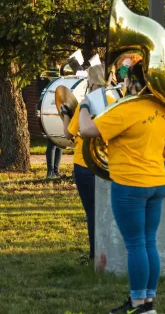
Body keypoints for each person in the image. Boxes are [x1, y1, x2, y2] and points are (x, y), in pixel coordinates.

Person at [78, 62, 165, 313]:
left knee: (135, 244)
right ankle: (148, 302)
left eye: (126, 80)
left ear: (132, 83)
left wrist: (84, 105)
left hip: (130, 184)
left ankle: (137, 303)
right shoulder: (164, 109)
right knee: (148, 242)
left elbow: (86, 129)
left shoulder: (126, 108)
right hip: (157, 181)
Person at [62, 64, 115, 263]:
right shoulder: (113, 102)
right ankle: (111, 251)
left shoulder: (85, 104)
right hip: (106, 163)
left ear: (91, 81)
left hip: (84, 164)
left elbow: (69, 134)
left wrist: (66, 113)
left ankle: (95, 253)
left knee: (92, 211)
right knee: (108, 210)